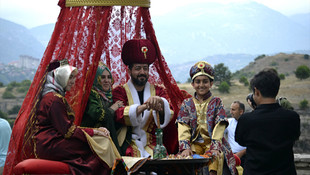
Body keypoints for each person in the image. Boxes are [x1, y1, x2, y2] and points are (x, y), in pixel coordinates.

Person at [33, 60, 120, 175]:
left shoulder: (53, 96)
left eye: (73, 78)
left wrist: (96, 132)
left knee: (101, 141)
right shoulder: (54, 100)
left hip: (50, 141)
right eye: (70, 78)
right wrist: (94, 132)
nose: (73, 82)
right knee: (97, 148)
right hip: (50, 144)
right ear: (60, 77)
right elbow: (68, 131)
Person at [112, 39, 173, 158]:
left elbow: (169, 112)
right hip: (129, 142)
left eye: (145, 68)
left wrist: (160, 102)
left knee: (161, 160)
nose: (142, 72)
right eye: (138, 68)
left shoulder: (158, 91)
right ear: (129, 70)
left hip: (153, 143)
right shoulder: (120, 91)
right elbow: (118, 115)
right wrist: (145, 106)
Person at [176, 61, 238, 175]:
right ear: (193, 84)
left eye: (205, 81)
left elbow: (220, 125)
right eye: (198, 81)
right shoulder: (187, 103)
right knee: (186, 159)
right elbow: (183, 125)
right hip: (194, 143)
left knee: (215, 157)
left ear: (211, 83)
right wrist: (185, 147)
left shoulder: (217, 102)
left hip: (213, 142)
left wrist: (215, 146)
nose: (201, 85)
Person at [235, 68, 300, 175]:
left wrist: (255, 111)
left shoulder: (246, 119)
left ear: (256, 91)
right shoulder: (292, 117)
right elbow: (294, 137)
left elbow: (240, 140)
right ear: (276, 90)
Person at [81, 62, 130, 155]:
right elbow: (97, 114)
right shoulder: (91, 94)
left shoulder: (109, 95)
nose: (107, 80)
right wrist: (112, 108)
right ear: (96, 79)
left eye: (109, 77)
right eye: (102, 77)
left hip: (106, 134)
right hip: (94, 136)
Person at [225, 101, 246, 167]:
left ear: (241, 112)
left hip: (246, 157)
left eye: (233, 110)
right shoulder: (228, 122)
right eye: (231, 109)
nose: (231, 112)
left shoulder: (249, 123)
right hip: (231, 156)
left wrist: (241, 153)